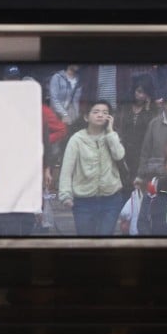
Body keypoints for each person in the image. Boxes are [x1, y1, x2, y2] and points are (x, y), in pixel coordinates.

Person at [58, 100, 126, 236]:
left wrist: (110, 132)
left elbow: (119, 155)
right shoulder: (76, 140)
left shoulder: (111, 136)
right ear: (86, 117)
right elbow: (66, 170)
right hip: (84, 201)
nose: (100, 115)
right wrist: (65, 195)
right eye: (96, 112)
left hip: (110, 199)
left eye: (105, 113)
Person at [114, 74, 156, 193]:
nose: (140, 95)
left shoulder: (151, 111)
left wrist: (147, 108)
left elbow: (150, 130)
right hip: (123, 149)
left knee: (137, 185)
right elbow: (117, 126)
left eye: (144, 93)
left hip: (141, 151)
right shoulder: (124, 107)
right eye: (138, 91)